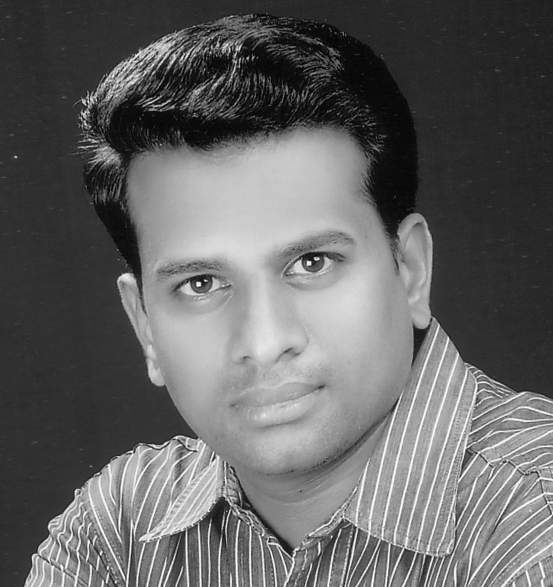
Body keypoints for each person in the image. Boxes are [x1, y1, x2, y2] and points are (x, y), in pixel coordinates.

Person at [25, 14, 553, 586]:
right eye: (200, 284)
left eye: (312, 263)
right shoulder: (118, 532)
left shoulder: (535, 520)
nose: (265, 341)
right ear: (145, 324)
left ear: (411, 270)